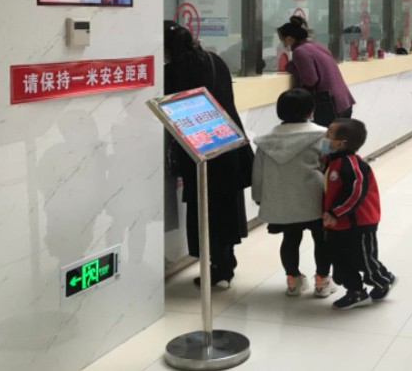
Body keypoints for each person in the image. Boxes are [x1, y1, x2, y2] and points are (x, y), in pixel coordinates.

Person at [164, 21, 251, 288]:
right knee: (225, 205)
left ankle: (218, 268)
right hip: (227, 141)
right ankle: (226, 262)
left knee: (205, 208)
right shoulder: (215, 60)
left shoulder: (173, 72)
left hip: (199, 148)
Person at [252, 89, 335, 299]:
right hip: (315, 198)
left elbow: (258, 173)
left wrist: (259, 197)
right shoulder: (323, 135)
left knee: (290, 239)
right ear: (310, 111)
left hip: (283, 200)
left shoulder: (266, 141)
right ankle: (322, 281)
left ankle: (293, 281)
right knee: (322, 240)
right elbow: (332, 165)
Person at [321, 118, 396, 310]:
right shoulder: (331, 160)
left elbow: (355, 193)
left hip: (359, 224)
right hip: (337, 224)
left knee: (363, 259)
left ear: (341, 143)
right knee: (339, 260)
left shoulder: (353, 165)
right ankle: (356, 292)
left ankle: (383, 279)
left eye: (329, 134)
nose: (324, 137)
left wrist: (334, 212)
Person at [278, 16, 355, 127]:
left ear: (289, 39)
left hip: (330, 105)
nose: (283, 44)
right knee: (340, 137)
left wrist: (290, 67)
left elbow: (310, 80)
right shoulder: (316, 45)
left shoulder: (299, 51)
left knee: (326, 138)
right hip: (344, 101)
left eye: (283, 40)